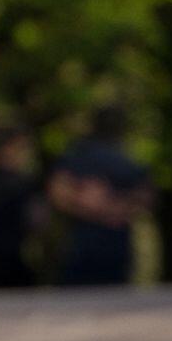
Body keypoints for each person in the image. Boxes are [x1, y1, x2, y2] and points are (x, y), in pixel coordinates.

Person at [46, 118, 150, 290]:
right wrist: (117, 209)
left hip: (83, 239)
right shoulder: (127, 160)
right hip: (111, 237)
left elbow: (57, 193)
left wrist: (94, 208)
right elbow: (146, 197)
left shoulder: (78, 155)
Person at [0, 120, 44, 292]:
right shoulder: (18, 182)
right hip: (3, 256)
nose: (24, 154)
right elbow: (36, 219)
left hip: (3, 253)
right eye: (21, 148)